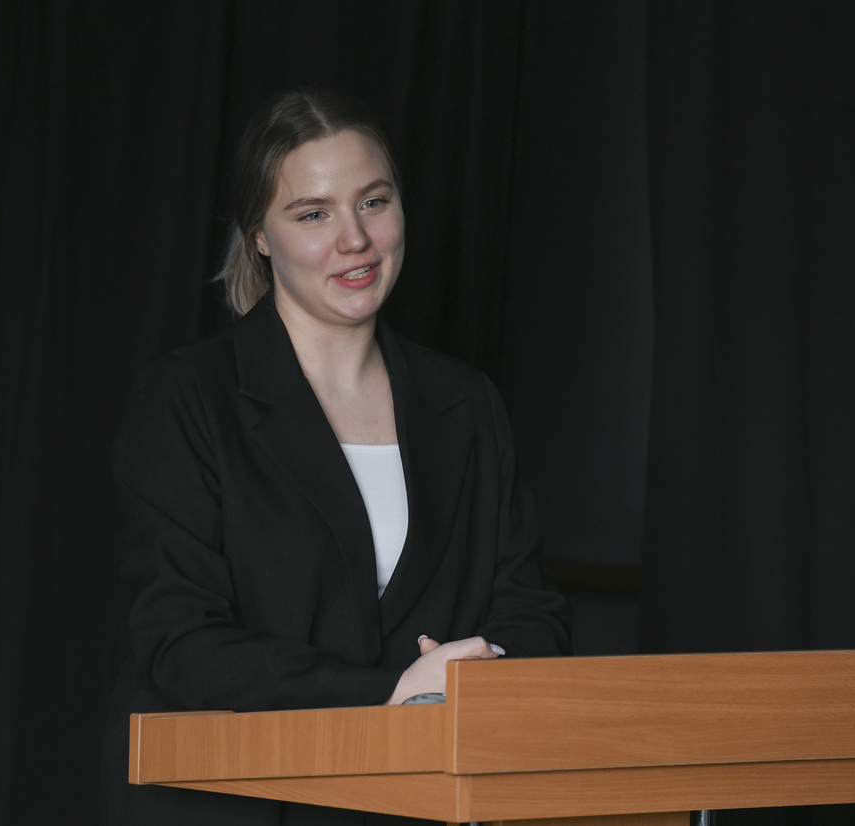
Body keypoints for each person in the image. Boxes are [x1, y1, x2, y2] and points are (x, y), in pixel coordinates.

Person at [100, 89, 571, 826]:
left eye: (373, 202)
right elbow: (179, 642)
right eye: (313, 214)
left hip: (413, 804)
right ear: (260, 236)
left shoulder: (467, 402)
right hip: (232, 803)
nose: (355, 239)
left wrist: (475, 678)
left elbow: (531, 613)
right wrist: (397, 691)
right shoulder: (188, 396)